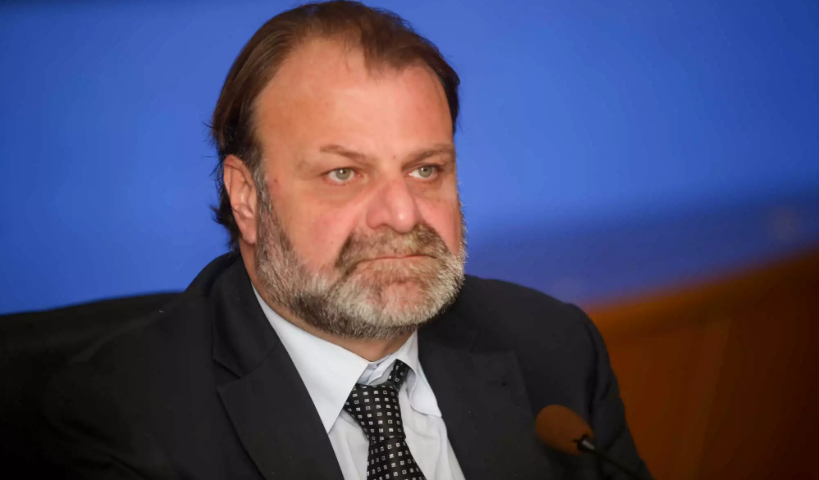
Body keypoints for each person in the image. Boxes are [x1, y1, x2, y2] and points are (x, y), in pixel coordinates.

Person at [42, 2, 651, 479]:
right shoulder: (127, 418)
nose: (402, 214)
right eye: (344, 173)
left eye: (426, 169)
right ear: (246, 197)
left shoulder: (555, 350)